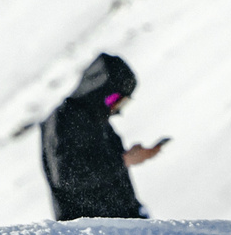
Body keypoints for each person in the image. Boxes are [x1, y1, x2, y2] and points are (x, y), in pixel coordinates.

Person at [42, 52, 165, 219]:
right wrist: (124, 160)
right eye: (114, 98)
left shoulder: (98, 122)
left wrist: (136, 212)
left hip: (120, 225)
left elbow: (112, 177)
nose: (115, 107)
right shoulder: (64, 119)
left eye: (122, 102)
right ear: (97, 88)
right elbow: (67, 177)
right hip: (89, 233)